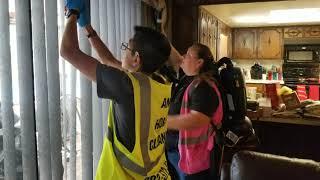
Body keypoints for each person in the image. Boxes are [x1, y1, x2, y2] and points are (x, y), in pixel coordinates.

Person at [61, 0, 173, 179]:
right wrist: (87, 28)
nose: (123, 51)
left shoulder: (126, 86)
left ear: (136, 59)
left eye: (126, 47)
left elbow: (68, 51)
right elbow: (108, 61)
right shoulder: (159, 82)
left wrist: (72, 14)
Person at [166, 43, 223, 180]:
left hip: (195, 159)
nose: (183, 57)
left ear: (199, 62)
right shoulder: (189, 79)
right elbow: (178, 58)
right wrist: (163, 37)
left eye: (188, 54)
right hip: (182, 152)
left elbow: (197, 120)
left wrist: (161, 122)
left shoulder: (204, 87)